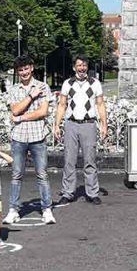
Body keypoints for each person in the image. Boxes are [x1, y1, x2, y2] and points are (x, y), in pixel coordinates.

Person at [3, 56, 55, 225]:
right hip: (19, 137)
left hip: (38, 136)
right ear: (17, 72)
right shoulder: (14, 89)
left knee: (42, 174)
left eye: (26, 68)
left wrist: (22, 118)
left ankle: (46, 209)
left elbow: (43, 112)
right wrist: (31, 97)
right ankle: (13, 209)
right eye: (20, 70)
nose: (24, 72)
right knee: (16, 174)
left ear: (32, 68)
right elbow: (14, 110)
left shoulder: (43, 86)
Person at [54, 55, 108, 205]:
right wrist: (57, 125)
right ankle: (68, 192)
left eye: (84, 65)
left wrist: (104, 124)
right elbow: (62, 105)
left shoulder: (95, 83)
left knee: (90, 159)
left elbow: (100, 104)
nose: (82, 68)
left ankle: (92, 192)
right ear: (74, 67)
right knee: (69, 159)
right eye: (79, 65)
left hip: (88, 123)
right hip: (71, 124)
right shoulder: (67, 84)